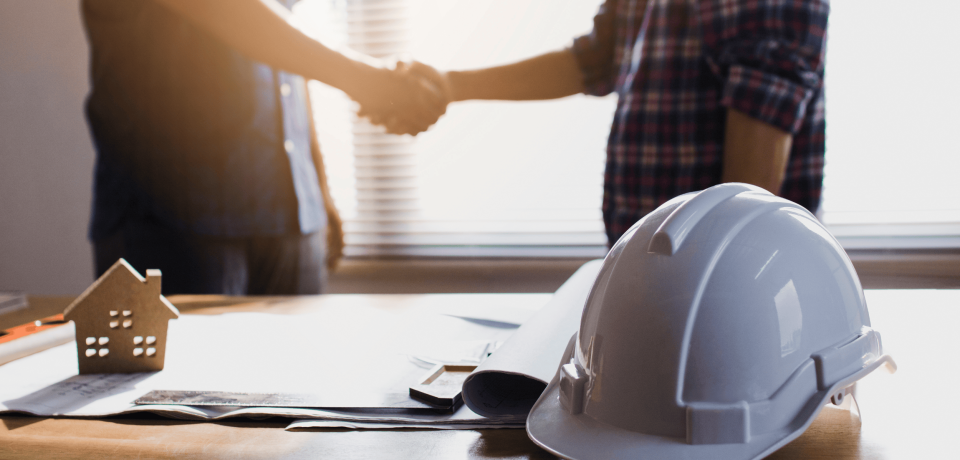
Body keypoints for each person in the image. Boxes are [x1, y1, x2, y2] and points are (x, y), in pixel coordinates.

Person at [82, 0, 445, 295]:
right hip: (170, 216)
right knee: (186, 383)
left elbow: (282, 51)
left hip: (289, 212)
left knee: (296, 381)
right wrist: (365, 79)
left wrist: (318, 184)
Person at [406, 0, 829, 245]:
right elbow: (597, 59)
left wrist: (716, 282)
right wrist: (447, 85)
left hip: (714, 281)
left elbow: (765, 98)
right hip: (653, 268)